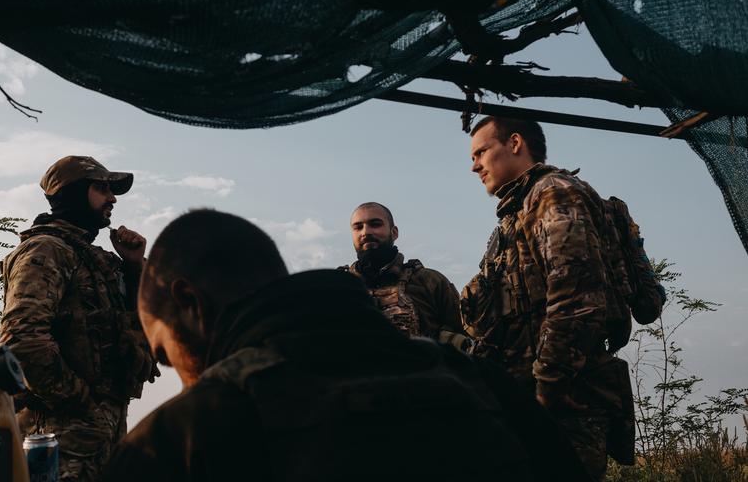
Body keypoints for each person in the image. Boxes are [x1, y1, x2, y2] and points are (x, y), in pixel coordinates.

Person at [103, 209, 590, 482]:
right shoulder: (483, 386)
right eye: (358, 226)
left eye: (165, 353)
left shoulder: (177, 439)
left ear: (190, 304)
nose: (181, 377)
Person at [463, 116, 636, 480]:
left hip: (565, 401)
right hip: (532, 398)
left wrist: (549, 386)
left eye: (481, 151)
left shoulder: (553, 193)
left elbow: (578, 296)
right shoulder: (519, 211)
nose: (475, 165)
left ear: (514, 143)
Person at [0, 155, 158, 482]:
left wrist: (133, 265)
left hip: (99, 438)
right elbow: (23, 341)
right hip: (59, 438)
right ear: (72, 193)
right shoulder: (46, 250)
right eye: (102, 188)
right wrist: (84, 407)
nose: (112, 199)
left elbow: (139, 327)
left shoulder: (95, 259)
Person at [342, 202, 469, 349]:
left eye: (375, 224)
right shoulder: (337, 288)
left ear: (394, 232)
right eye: (358, 227)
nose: (365, 232)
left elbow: (467, 340)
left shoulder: (430, 282)